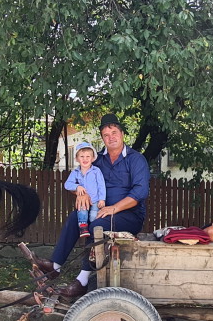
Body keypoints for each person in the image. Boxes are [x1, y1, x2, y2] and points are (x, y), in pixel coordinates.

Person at [35, 114, 150, 297]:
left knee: (98, 224)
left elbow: (140, 193)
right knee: (75, 217)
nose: (111, 137)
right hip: (99, 210)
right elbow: (80, 178)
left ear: (122, 134)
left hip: (129, 215)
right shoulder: (97, 160)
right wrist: (80, 192)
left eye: (114, 132)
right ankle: (55, 266)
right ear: (102, 138)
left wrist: (113, 208)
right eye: (106, 134)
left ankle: (82, 280)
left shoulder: (136, 159)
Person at [64, 142, 106, 238]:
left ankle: (93, 230)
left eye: (88, 156)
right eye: (82, 156)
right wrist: (77, 187)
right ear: (77, 159)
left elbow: (101, 185)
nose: (85, 159)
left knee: (93, 216)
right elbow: (67, 184)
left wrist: (102, 199)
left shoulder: (96, 171)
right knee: (82, 211)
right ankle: (83, 228)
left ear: (92, 158)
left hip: (95, 200)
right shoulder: (75, 172)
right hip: (83, 200)